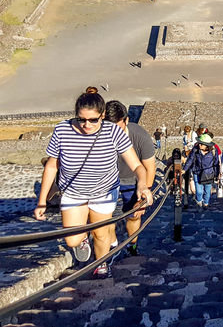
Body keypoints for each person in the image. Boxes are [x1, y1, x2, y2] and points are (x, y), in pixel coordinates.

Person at [34, 87, 153, 279]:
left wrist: (143, 184)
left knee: (100, 233)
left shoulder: (114, 132)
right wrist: (42, 201)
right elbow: (51, 167)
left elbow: (137, 166)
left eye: (93, 120)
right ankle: (82, 242)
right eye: (82, 119)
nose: (86, 125)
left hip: (104, 192)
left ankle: (101, 263)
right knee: (72, 240)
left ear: (102, 115)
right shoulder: (62, 130)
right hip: (73, 192)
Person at [104, 100, 156, 257]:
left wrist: (142, 200)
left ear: (126, 120)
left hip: (133, 180)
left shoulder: (140, 136)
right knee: (106, 217)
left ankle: (132, 244)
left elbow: (150, 168)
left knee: (134, 215)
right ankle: (112, 246)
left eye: (117, 127)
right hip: (107, 180)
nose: (113, 133)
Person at [183, 134, 220, 209]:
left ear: (207, 145)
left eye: (201, 144)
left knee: (207, 191)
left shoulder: (213, 150)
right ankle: (199, 202)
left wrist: (217, 174)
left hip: (208, 173)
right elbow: (190, 159)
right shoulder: (196, 149)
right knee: (199, 191)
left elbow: (216, 163)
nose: (199, 144)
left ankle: (206, 203)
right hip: (197, 172)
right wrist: (184, 169)